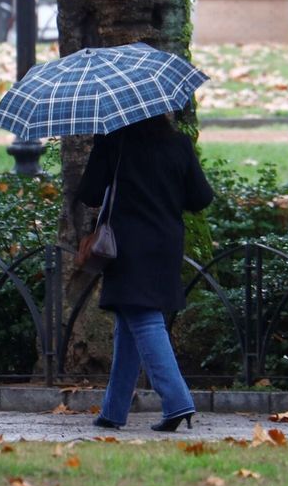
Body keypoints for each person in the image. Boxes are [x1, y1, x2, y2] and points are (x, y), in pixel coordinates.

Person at [78, 113, 214, 431]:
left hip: (127, 246)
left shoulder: (115, 141)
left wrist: (102, 149)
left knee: (144, 318)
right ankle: (113, 410)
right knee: (129, 324)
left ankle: (178, 402)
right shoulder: (178, 144)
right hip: (166, 243)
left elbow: (90, 194)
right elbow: (201, 198)